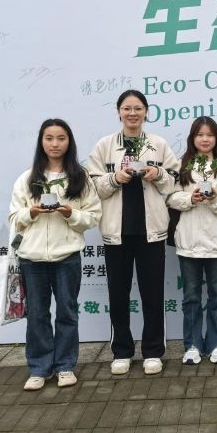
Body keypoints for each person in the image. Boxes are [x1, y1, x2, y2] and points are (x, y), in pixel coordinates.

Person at [87, 90, 180, 376]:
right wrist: (115, 178)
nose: (132, 113)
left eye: (138, 108)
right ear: (118, 112)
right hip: (116, 233)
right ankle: (122, 351)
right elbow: (92, 187)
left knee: (153, 294)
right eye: (127, 108)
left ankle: (153, 351)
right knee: (118, 294)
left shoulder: (158, 144)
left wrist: (158, 174)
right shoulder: (105, 146)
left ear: (146, 112)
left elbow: (175, 182)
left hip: (151, 232)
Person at [9, 119, 101, 391]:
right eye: (49, 138)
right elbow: (14, 218)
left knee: (67, 313)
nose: (55, 144)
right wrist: (31, 212)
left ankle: (65, 366)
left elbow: (93, 216)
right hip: (32, 258)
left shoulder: (80, 178)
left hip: (67, 257)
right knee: (37, 315)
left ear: (69, 142)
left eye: (61, 138)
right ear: (41, 142)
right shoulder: (27, 178)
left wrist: (71, 214)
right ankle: (39, 368)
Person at [167, 116, 217, 365]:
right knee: (191, 297)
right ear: (193, 138)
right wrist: (191, 198)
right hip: (188, 243)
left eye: (210, 135)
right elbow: (170, 198)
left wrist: (215, 198)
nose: (205, 139)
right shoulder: (181, 165)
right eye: (200, 135)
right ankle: (192, 345)